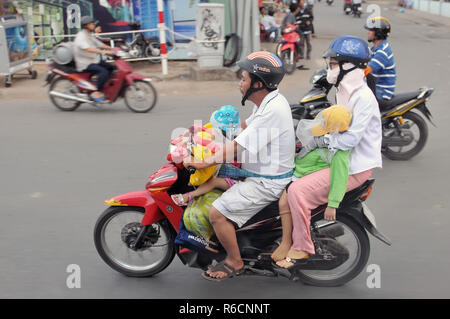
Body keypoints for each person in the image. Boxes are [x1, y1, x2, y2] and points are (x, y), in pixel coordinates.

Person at [184, 51, 296, 280]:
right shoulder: (268, 101)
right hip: (257, 171)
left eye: (243, 79)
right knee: (216, 179)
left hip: (266, 182)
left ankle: (235, 261)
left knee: (216, 213)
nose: (239, 84)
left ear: (258, 83)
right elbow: (244, 126)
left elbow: (237, 146)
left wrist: (202, 161)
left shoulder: (272, 110)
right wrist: (207, 131)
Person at [275, 36, 382, 268]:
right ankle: (284, 239)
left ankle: (303, 247)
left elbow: (349, 139)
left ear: (348, 66)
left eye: (333, 64)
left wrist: (322, 139)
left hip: (353, 166)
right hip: (337, 157)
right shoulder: (344, 91)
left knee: (297, 192)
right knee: (286, 174)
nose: (330, 68)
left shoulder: (363, 98)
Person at [271, 105, 354, 263]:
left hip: (301, 177)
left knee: (283, 202)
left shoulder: (338, 149)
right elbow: (307, 149)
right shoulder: (325, 138)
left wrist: (333, 203)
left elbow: (339, 176)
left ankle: (287, 241)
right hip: (296, 170)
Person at [171, 105, 242, 206]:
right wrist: (194, 130)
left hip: (236, 179)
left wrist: (196, 140)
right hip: (225, 167)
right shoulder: (224, 134)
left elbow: (214, 148)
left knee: (213, 181)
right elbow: (208, 132)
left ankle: (189, 196)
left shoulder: (231, 141)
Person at [74, 16, 115, 102]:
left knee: (111, 67)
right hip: (85, 63)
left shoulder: (89, 34)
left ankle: (102, 84)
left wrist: (112, 49)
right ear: (86, 25)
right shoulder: (81, 36)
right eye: (92, 24)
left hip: (92, 60)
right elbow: (88, 49)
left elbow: (99, 44)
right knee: (103, 71)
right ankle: (97, 92)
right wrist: (104, 52)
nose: (94, 25)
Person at [364, 17, 396, 100]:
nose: (368, 32)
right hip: (375, 87)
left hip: (381, 91)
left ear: (378, 33)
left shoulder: (382, 51)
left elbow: (367, 70)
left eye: (371, 30)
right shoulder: (375, 48)